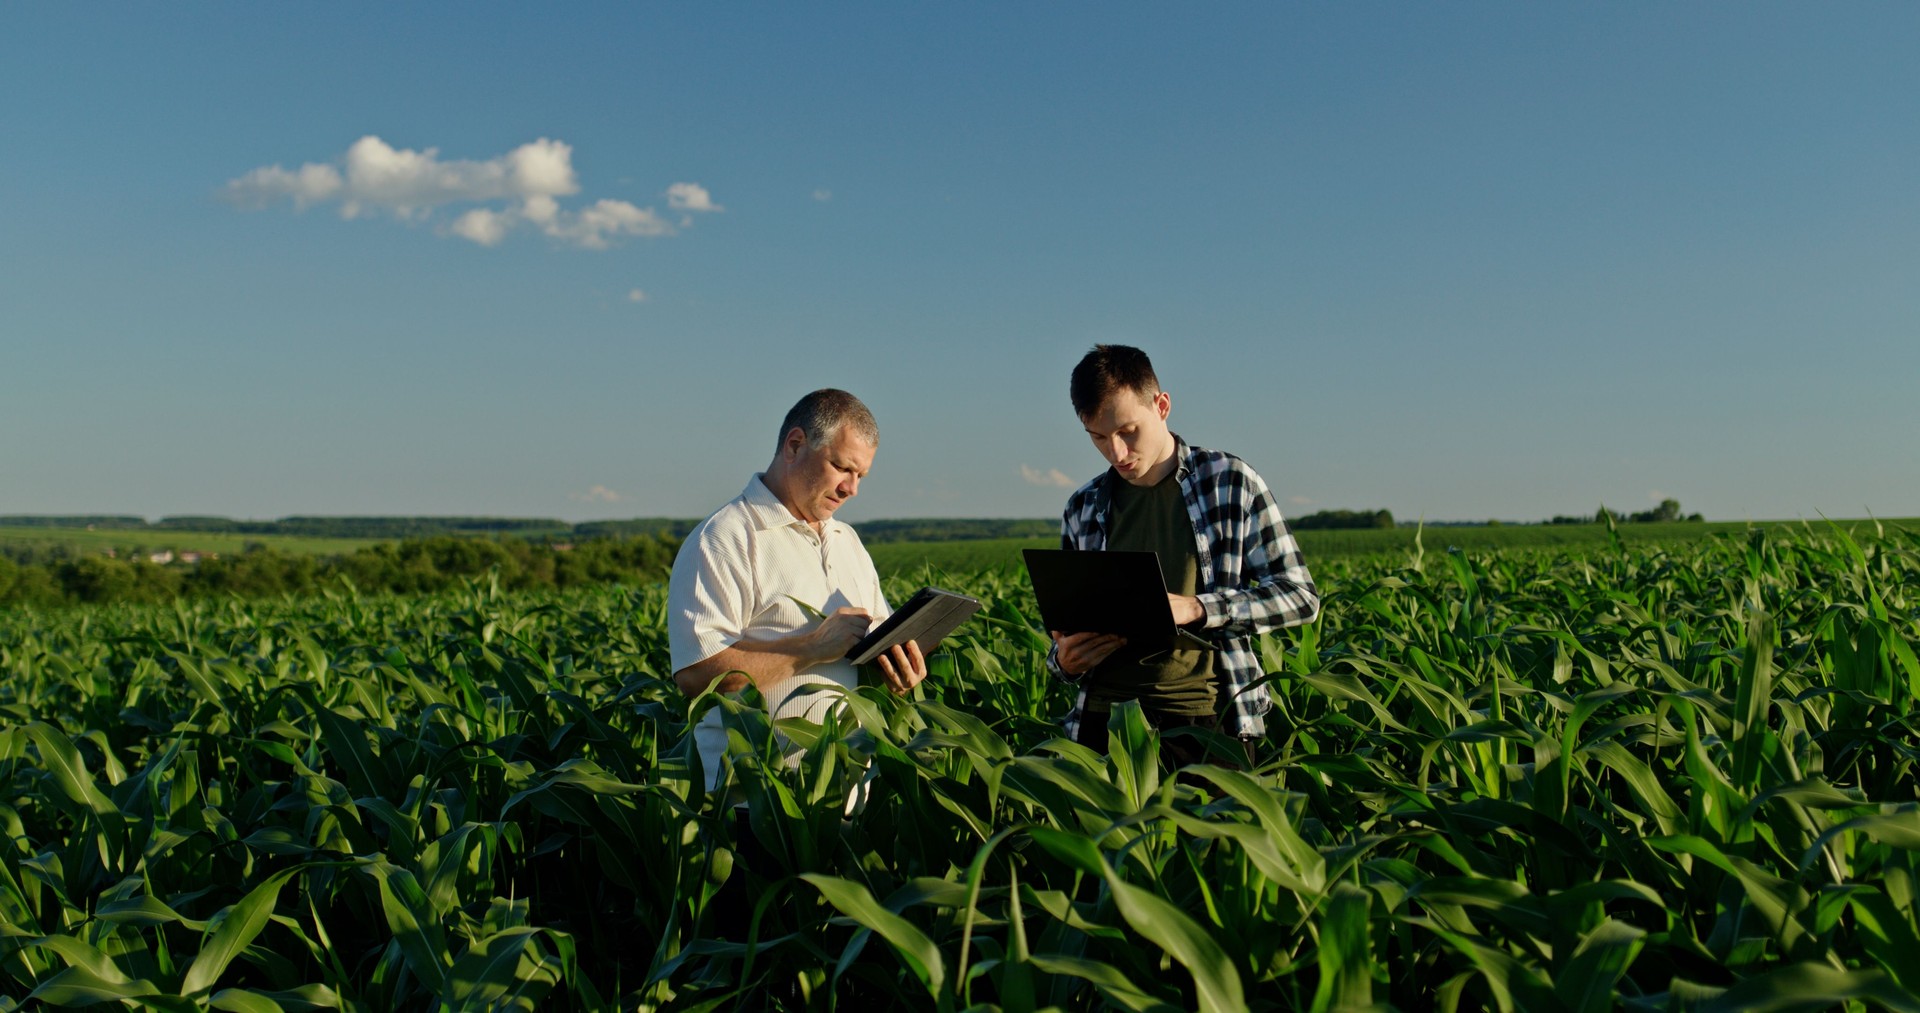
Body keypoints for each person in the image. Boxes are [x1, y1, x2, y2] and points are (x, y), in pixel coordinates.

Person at [1046, 345, 1320, 767]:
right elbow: (1062, 633)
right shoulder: (1081, 507)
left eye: (1127, 431)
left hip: (1204, 721)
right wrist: (1064, 661)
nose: (1116, 452)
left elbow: (1300, 596)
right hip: (1103, 725)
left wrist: (1197, 608)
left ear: (1162, 405)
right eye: (1099, 438)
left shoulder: (1230, 483)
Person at [669, 388, 928, 796]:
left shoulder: (848, 542)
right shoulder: (725, 537)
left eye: (861, 476)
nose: (851, 489)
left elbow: (876, 639)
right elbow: (696, 676)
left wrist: (897, 668)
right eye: (842, 467)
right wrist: (810, 648)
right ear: (794, 445)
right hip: (752, 806)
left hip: (844, 806)